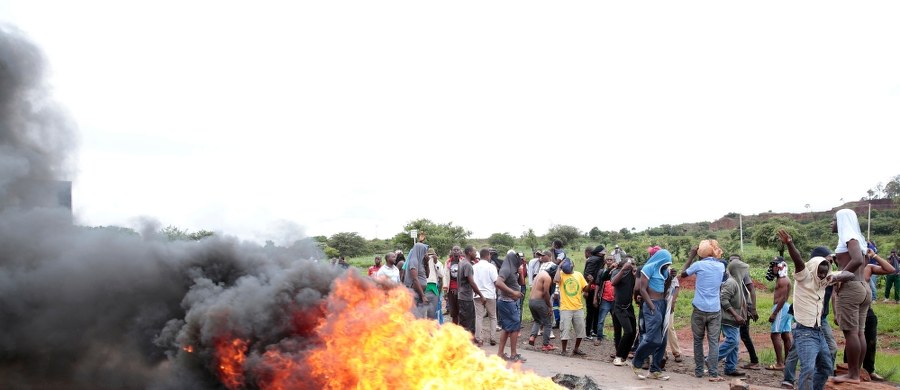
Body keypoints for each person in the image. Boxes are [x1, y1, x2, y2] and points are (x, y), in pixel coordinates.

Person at [781, 247, 839, 390]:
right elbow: (798, 261)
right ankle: (789, 379)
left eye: (826, 271)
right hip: (804, 329)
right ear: (814, 265)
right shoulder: (805, 277)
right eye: (820, 271)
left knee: (825, 366)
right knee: (807, 368)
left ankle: (804, 384)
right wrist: (790, 244)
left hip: (818, 327)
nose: (823, 274)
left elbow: (848, 274)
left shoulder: (825, 280)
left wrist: (835, 276)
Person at [831, 209, 870, 384]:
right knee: (859, 332)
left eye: (834, 220)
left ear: (842, 221)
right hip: (862, 287)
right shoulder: (858, 240)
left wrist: (839, 277)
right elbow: (861, 261)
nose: (832, 224)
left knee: (851, 333)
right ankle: (856, 372)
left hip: (851, 288)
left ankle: (853, 375)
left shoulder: (849, 238)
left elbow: (857, 260)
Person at [680, 240, 726, 382]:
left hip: (699, 308)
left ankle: (699, 371)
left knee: (698, 341)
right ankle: (713, 373)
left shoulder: (698, 265)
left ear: (700, 254)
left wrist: (691, 256)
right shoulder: (721, 266)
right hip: (715, 309)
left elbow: (683, 274)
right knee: (713, 342)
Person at [630, 249, 673, 381]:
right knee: (652, 339)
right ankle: (637, 362)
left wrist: (670, 278)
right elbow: (642, 289)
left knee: (662, 340)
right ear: (661, 260)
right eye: (666, 263)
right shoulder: (648, 268)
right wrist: (652, 306)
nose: (667, 266)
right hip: (651, 304)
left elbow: (665, 289)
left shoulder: (664, 271)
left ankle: (655, 370)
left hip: (662, 304)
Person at [860, 246, 895, 381]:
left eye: (866, 256)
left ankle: (869, 371)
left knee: (871, 341)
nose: (865, 258)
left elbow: (891, 269)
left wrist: (874, 256)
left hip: (867, 310)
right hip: (853, 310)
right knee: (854, 340)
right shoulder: (848, 268)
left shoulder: (869, 268)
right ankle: (850, 369)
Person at [717, 258, 749, 378]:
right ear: (738, 271)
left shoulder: (737, 282)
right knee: (732, 341)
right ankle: (711, 359)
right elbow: (723, 299)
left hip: (734, 319)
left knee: (735, 345)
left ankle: (730, 368)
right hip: (729, 318)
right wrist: (736, 315)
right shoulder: (731, 283)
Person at [729, 254, 761, 371]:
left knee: (744, 334)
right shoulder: (731, 273)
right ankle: (733, 358)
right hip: (736, 307)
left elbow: (752, 289)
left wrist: (753, 308)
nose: (733, 262)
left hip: (744, 307)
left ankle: (754, 360)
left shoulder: (743, 273)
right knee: (736, 334)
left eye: (735, 260)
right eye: (731, 260)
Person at [495, 252, 525, 362]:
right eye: (519, 259)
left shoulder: (513, 269)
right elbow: (498, 283)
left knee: (506, 328)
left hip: (508, 302)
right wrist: (513, 293)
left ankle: (500, 353)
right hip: (506, 302)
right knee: (515, 327)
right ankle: (513, 354)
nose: (520, 261)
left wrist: (520, 273)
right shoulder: (506, 269)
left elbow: (521, 283)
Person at [554, 256, 588, 356]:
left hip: (578, 307)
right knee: (565, 330)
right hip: (565, 308)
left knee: (581, 331)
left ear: (573, 266)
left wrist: (590, 282)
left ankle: (576, 349)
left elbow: (585, 289)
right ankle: (563, 350)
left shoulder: (579, 274)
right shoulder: (561, 274)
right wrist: (559, 267)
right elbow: (555, 280)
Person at [611, 255, 637, 367]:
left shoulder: (633, 274)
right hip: (619, 307)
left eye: (634, 264)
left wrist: (635, 275)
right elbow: (613, 282)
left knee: (633, 332)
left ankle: (624, 358)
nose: (633, 266)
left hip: (628, 306)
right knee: (627, 331)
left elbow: (637, 286)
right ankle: (618, 356)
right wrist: (623, 270)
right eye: (631, 264)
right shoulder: (617, 272)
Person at [768, 258, 793, 371]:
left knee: (775, 335)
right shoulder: (783, 279)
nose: (772, 268)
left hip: (781, 308)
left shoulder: (782, 280)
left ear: (780, 267)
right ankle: (787, 363)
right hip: (785, 307)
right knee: (785, 335)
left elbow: (782, 298)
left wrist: (774, 313)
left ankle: (780, 363)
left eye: (774, 266)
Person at [528, 260, 557, 352]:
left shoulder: (540, 274)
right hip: (539, 302)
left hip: (531, 301)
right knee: (548, 323)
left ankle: (532, 337)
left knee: (537, 320)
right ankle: (546, 345)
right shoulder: (547, 277)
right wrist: (549, 306)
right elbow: (545, 293)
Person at [474, 248, 499, 346]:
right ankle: (492, 338)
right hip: (490, 295)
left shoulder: (474, 267)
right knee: (493, 317)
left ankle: (479, 339)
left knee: (479, 317)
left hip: (477, 295)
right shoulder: (491, 267)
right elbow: (496, 281)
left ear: (480, 256)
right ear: (488, 256)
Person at [403, 243, 436, 319]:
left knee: (420, 314)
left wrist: (426, 263)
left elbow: (427, 275)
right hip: (414, 293)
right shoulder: (413, 261)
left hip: (420, 293)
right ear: (420, 251)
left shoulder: (421, 261)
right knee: (415, 315)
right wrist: (423, 295)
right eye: (424, 251)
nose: (426, 254)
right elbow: (415, 279)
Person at [457, 246, 483, 336]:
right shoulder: (468, 265)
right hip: (466, 298)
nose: (476, 254)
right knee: (469, 323)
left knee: (463, 322)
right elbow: (471, 282)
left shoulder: (461, 263)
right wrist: (481, 295)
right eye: (474, 252)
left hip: (461, 296)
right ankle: (468, 341)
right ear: (469, 252)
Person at [594, 253, 616, 346]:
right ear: (605, 261)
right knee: (601, 320)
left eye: (611, 260)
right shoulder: (602, 272)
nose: (609, 261)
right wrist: (595, 298)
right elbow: (597, 285)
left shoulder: (617, 271)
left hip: (615, 300)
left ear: (614, 261)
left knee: (616, 320)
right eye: (608, 260)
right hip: (605, 299)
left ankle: (616, 339)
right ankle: (599, 338)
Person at [583, 245, 603, 340]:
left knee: (593, 311)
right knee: (593, 311)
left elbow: (588, 274)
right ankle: (589, 332)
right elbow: (587, 274)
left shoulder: (594, 260)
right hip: (592, 288)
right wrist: (586, 290)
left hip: (594, 288)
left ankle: (592, 331)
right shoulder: (595, 260)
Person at [442, 246, 462, 325]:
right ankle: (454, 327)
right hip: (451, 290)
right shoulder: (448, 262)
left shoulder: (463, 261)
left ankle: (461, 327)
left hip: (461, 290)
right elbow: (445, 276)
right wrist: (445, 291)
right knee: (453, 311)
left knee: (461, 310)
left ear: (460, 251)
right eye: (454, 250)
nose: (456, 251)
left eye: (457, 250)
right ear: (452, 251)